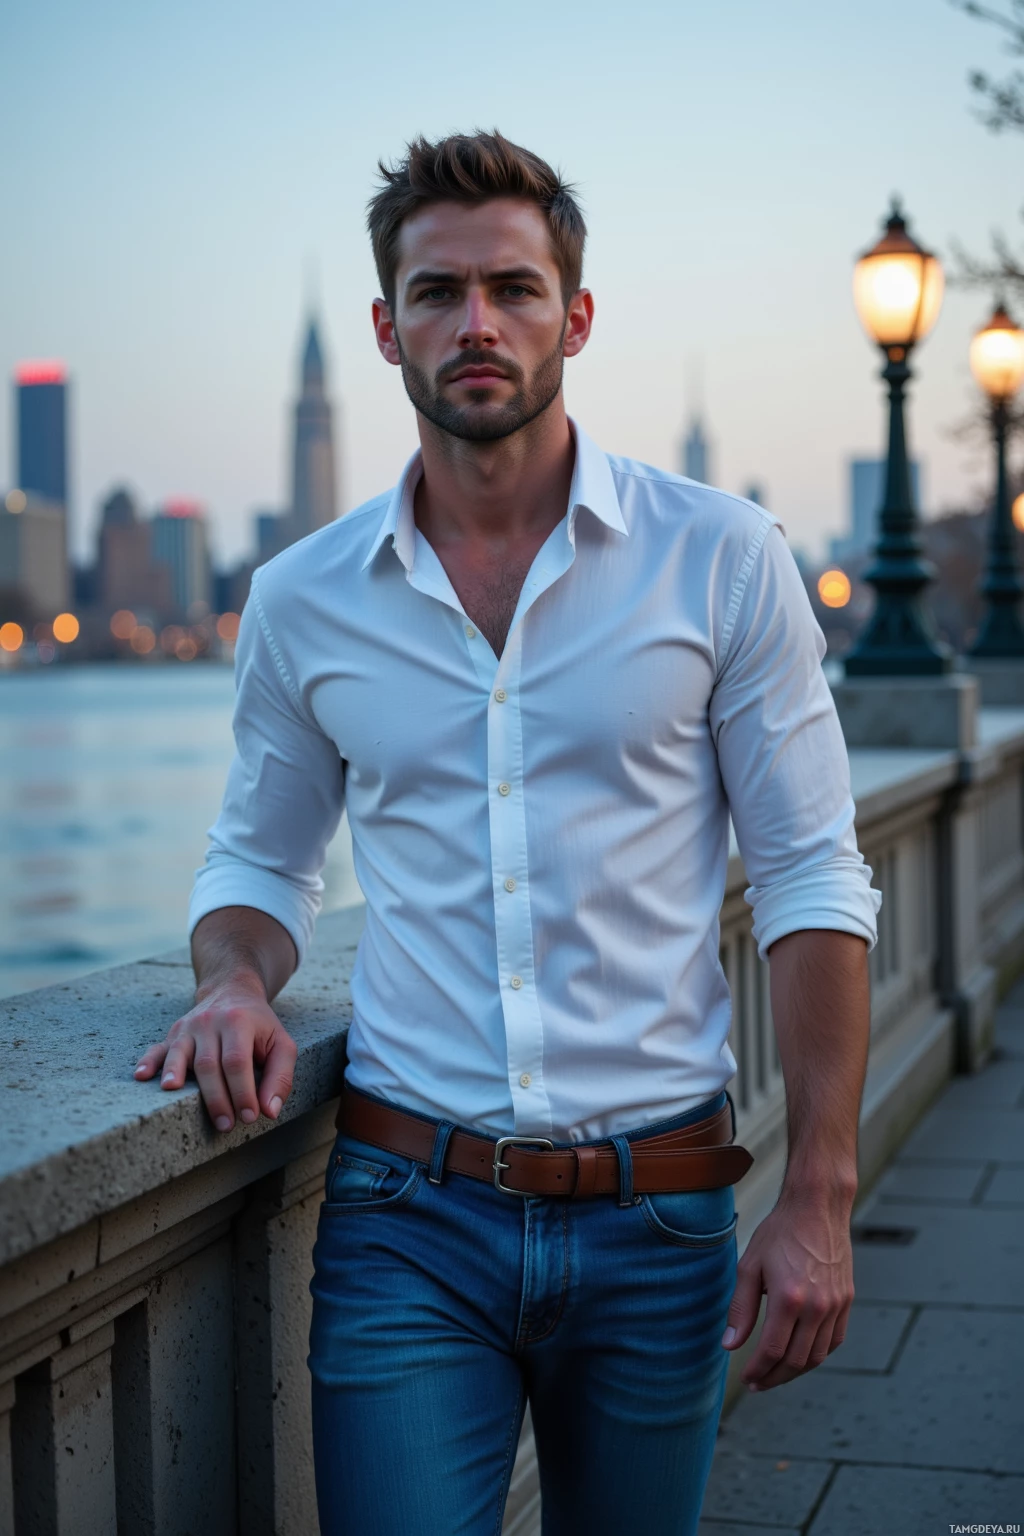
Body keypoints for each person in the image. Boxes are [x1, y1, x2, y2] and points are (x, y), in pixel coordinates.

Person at [135, 130, 881, 1536]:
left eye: (514, 288)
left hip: (661, 1215)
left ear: (575, 317)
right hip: (407, 1215)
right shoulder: (304, 599)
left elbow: (808, 872)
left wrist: (820, 1194)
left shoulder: (721, 557)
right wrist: (235, 978)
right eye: (436, 292)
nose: (475, 323)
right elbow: (258, 861)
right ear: (386, 327)